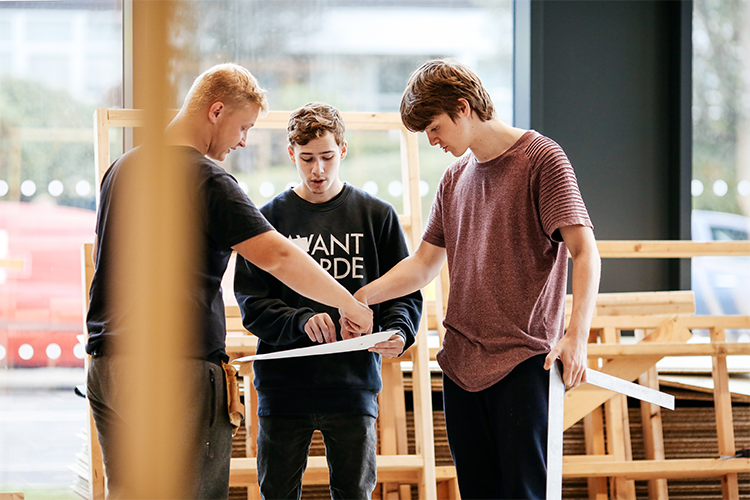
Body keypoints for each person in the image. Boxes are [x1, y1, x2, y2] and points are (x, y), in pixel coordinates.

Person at [85, 65, 372, 499]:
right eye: (243, 127)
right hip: (173, 368)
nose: (242, 140)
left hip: (107, 365)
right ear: (216, 111)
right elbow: (276, 255)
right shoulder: (207, 178)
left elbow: (98, 256)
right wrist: (348, 304)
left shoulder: (122, 169)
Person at [350, 59, 601, 499]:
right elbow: (424, 264)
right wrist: (362, 297)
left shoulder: (542, 159)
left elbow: (585, 252)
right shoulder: (453, 178)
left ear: (463, 108)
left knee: (525, 493)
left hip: (524, 363)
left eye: (434, 127)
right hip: (460, 366)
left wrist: (576, 336)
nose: (432, 141)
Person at [233, 102, 422, 500]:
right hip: (284, 388)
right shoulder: (267, 221)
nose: (317, 170)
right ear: (291, 155)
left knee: (354, 493)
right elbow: (251, 301)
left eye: (327, 157)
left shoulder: (376, 217)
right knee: (278, 493)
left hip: (352, 385)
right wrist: (301, 321)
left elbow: (404, 292)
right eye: (306, 159)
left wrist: (398, 332)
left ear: (344, 151)